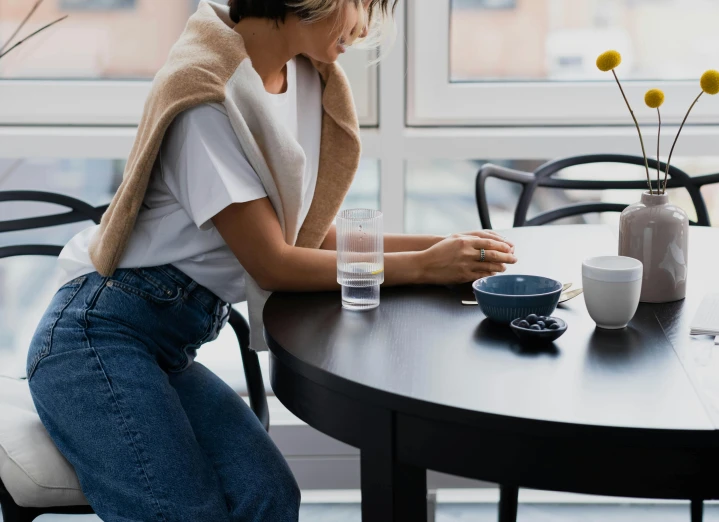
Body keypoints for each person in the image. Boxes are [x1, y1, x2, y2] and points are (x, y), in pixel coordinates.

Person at [26, 1, 517, 521]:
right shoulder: (205, 97)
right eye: (362, 4)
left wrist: (442, 247)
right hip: (95, 339)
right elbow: (274, 263)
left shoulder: (305, 77)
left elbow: (310, 236)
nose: (367, 26)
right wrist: (424, 267)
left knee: (269, 497)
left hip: (166, 347)